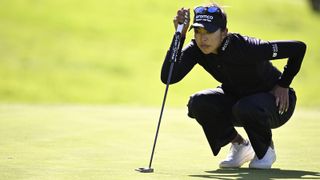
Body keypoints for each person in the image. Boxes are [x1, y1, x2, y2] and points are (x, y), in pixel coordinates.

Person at [161, 3, 306, 169]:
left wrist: (283, 84)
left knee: (245, 106)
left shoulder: (246, 46)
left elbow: (298, 48)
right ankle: (240, 146)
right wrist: (179, 34)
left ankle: (266, 149)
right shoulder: (197, 49)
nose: (203, 38)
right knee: (199, 102)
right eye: (198, 32)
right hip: (239, 101)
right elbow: (169, 77)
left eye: (209, 31)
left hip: (276, 103)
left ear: (224, 33)